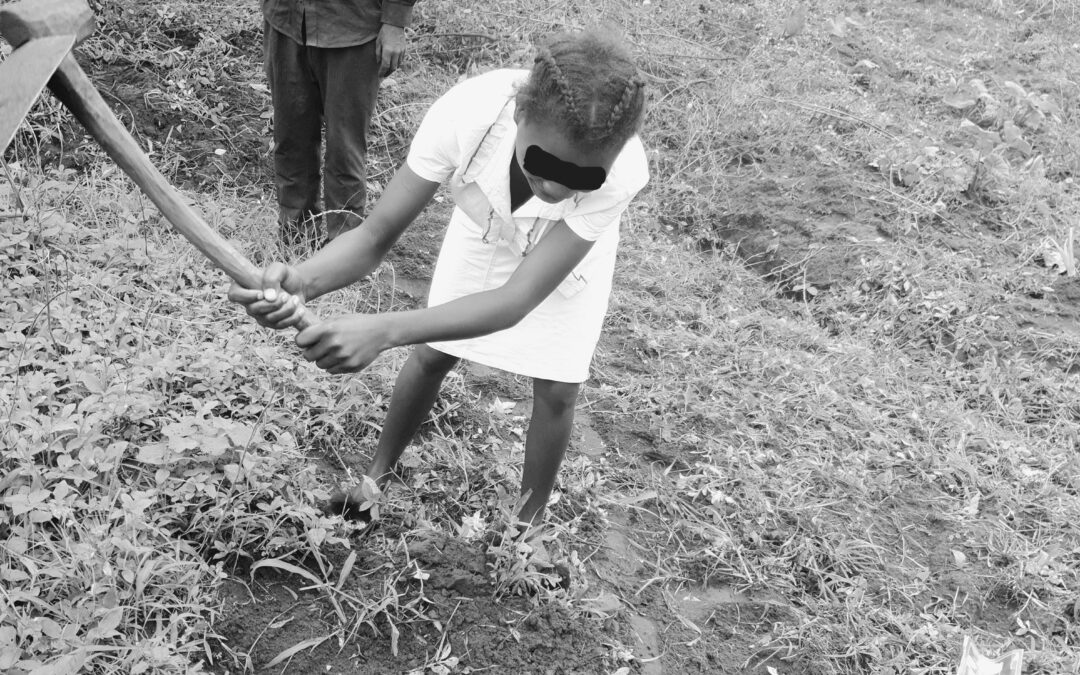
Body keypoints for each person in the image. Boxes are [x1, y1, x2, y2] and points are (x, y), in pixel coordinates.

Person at [230, 28, 649, 532]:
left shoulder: (623, 172)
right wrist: (302, 279)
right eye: (543, 164)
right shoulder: (467, 114)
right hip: (484, 224)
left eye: (582, 178)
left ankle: (526, 529)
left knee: (559, 387)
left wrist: (384, 329)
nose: (557, 187)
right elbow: (375, 236)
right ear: (519, 115)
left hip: (565, 252)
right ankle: (373, 483)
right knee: (433, 352)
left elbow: (516, 301)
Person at [262, 0, 417, 246]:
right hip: (285, 20)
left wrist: (395, 21)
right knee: (290, 139)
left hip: (353, 26)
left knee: (345, 150)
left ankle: (343, 248)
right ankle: (295, 240)